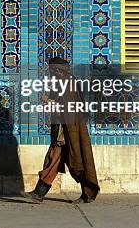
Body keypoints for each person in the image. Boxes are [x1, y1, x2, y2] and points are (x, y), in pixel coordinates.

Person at [21, 57, 100, 204]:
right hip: (63, 129)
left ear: (57, 70)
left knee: (75, 159)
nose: (50, 72)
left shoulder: (67, 82)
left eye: (51, 69)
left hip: (70, 130)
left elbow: (67, 107)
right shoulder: (61, 82)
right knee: (55, 159)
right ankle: (39, 193)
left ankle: (87, 192)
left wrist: (48, 101)